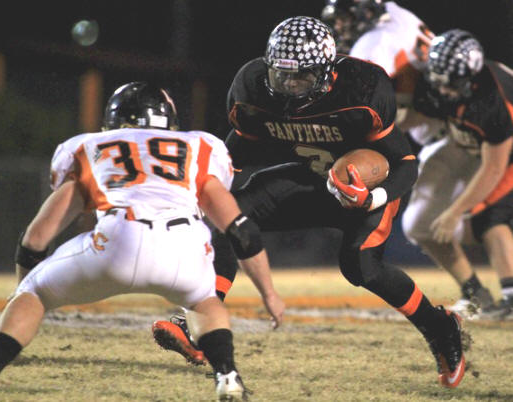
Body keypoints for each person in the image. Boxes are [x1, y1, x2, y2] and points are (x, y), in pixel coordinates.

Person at [153, 16, 467, 388]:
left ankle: (441, 327)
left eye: (300, 76)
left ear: (326, 72)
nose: (288, 85)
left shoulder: (363, 89)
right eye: (280, 74)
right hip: (309, 178)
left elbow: (404, 164)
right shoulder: (252, 87)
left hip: (359, 189)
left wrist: (373, 198)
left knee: (361, 266)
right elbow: (230, 153)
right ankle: (196, 325)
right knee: (225, 219)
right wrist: (200, 194)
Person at [0, 82, 285, 400]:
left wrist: (27, 294)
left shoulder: (93, 148)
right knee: (204, 300)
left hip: (117, 240)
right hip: (182, 247)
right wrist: (269, 294)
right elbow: (241, 230)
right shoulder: (199, 148)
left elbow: (36, 237)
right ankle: (227, 376)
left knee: (32, 292)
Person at [321, 0, 497, 316]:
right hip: (444, 132)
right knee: (425, 223)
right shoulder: (399, 16)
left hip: (453, 132)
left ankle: (498, 287)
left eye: (347, 18)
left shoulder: (375, 42)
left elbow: (363, 104)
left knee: (489, 217)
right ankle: (476, 291)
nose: (341, 27)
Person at [401, 29, 513, 319]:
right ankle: (476, 293)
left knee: (490, 215)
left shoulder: (492, 99)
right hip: (462, 142)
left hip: (503, 154)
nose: (442, 90)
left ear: (471, 79)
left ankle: (511, 295)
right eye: (438, 81)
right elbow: (422, 113)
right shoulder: (436, 78)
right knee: (418, 224)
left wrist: (455, 211)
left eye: (451, 85)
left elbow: (494, 167)